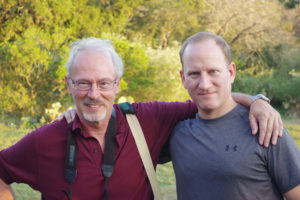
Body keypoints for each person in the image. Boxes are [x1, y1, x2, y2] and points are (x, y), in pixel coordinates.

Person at [0, 38, 282, 200]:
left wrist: (257, 101)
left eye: (104, 83)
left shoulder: (147, 119)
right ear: (68, 85)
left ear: (118, 84)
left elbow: (209, 100)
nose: (93, 94)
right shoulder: (47, 139)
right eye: (83, 83)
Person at [170, 32, 300, 200]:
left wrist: (257, 101)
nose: (204, 84)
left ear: (231, 72)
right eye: (194, 73)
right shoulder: (176, 133)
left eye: (213, 71)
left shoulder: (266, 127)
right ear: (183, 78)